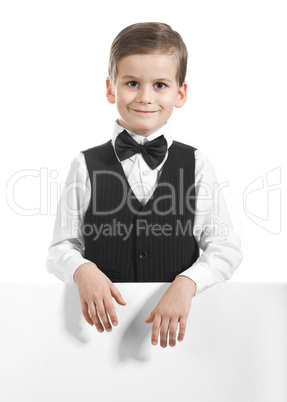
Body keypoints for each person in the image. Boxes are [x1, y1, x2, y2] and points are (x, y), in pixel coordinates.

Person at [46, 22, 243, 348]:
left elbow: (225, 247)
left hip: (181, 337)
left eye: (160, 85)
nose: (145, 97)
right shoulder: (84, 164)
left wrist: (186, 283)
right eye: (133, 83)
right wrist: (82, 270)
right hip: (98, 338)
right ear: (111, 88)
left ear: (180, 93)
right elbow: (60, 248)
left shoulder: (197, 164)